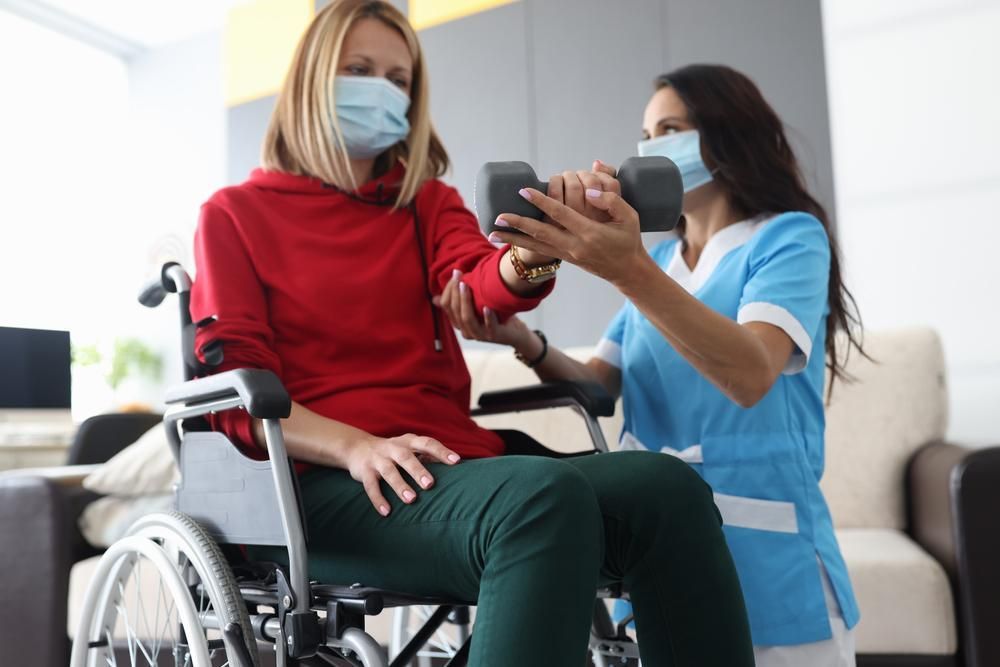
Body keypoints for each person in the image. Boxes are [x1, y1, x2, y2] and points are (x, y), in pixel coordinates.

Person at [190, 2, 753, 665]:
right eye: (360, 69)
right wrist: (357, 445)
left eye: (400, 79)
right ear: (313, 79)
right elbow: (236, 398)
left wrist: (537, 245)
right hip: (323, 482)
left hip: (450, 467)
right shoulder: (234, 216)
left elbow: (483, 278)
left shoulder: (424, 204)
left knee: (667, 491)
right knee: (541, 498)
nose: (384, 90)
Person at [442, 64, 863, 666]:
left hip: (766, 553)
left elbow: (750, 374)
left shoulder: (788, 239)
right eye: (646, 133)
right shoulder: (658, 259)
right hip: (656, 544)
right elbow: (599, 385)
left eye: (670, 127)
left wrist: (625, 269)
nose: (651, 147)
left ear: (726, 134)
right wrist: (521, 341)